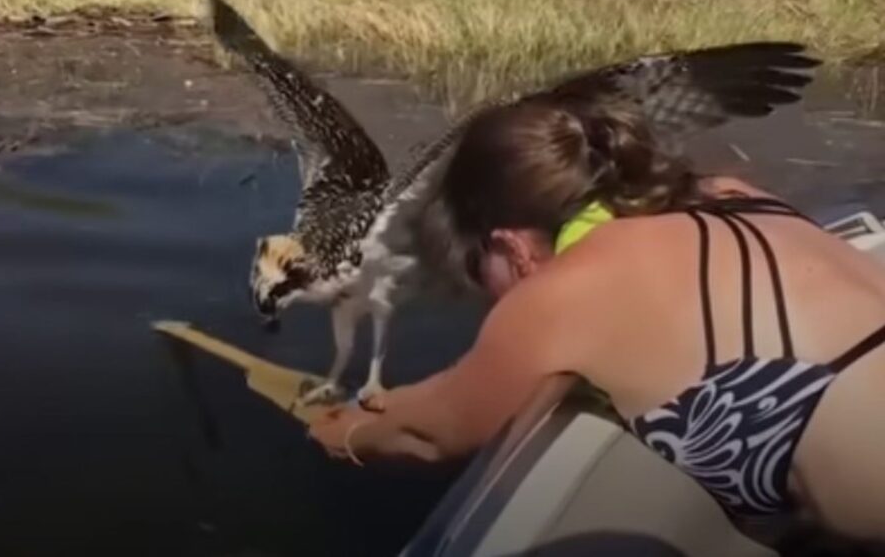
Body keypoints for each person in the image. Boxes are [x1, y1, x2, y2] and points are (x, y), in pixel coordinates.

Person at [308, 100, 885, 549]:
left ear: (510, 247)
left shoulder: (568, 290)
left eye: (477, 273)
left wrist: (343, 431)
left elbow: (433, 430)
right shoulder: (731, 194)